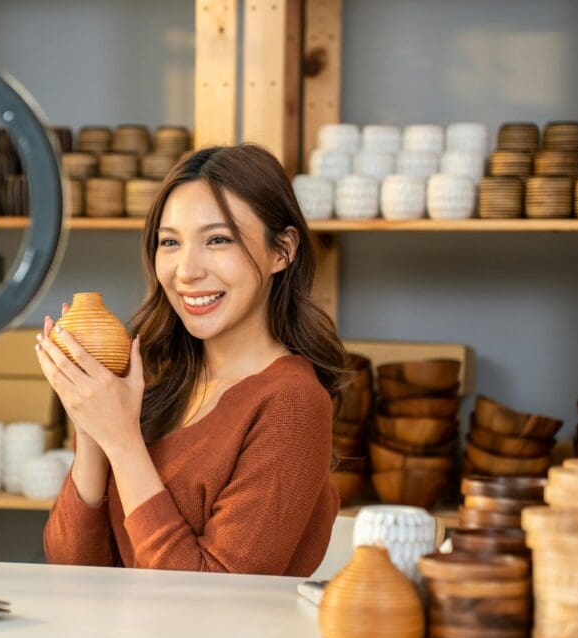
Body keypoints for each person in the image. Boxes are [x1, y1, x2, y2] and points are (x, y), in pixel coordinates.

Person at [36, 143, 347, 576]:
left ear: (283, 250)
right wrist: (91, 426)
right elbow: (75, 569)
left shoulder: (292, 404)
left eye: (217, 240)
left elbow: (214, 596)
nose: (186, 271)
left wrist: (123, 442)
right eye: (170, 242)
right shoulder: (153, 377)